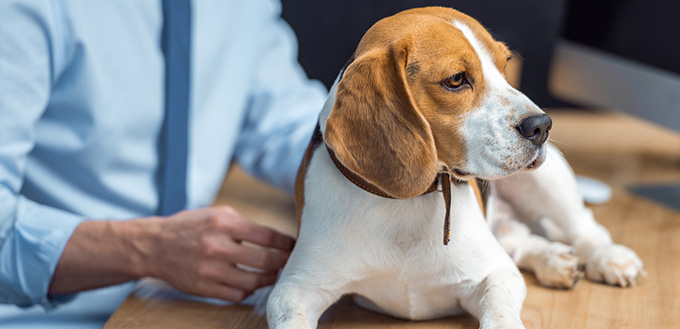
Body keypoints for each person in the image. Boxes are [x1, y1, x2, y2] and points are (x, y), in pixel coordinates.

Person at [0, 0, 327, 328]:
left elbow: (281, 119)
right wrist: (147, 249)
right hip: (39, 316)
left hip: (183, 304)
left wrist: (358, 163)